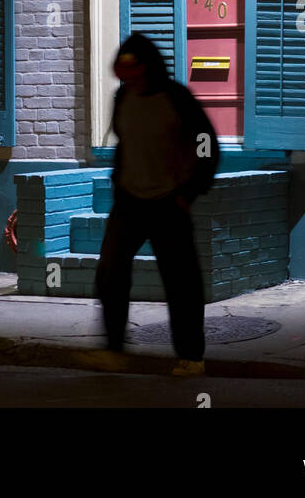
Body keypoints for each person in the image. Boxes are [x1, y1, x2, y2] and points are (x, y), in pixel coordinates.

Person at [93, 32, 219, 377]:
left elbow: (207, 142)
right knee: (110, 274)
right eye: (120, 70)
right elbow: (125, 143)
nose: (125, 77)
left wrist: (191, 190)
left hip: (168, 203)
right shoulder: (122, 98)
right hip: (130, 202)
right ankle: (115, 349)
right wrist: (119, 181)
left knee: (181, 281)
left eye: (131, 69)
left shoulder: (175, 97)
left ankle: (192, 356)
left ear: (147, 66)